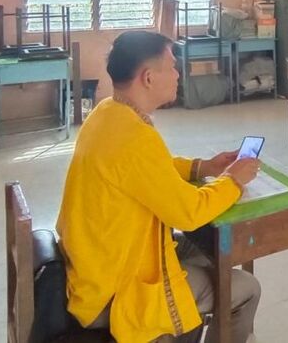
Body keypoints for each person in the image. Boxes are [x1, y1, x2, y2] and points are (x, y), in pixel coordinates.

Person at [58, 31, 261, 343]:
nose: (178, 74)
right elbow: (189, 212)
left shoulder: (108, 112)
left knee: (211, 250)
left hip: (98, 267)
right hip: (116, 288)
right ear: (149, 78)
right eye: (172, 66)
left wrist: (203, 167)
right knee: (246, 287)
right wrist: (233, 180)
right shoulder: (134, 136)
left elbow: (151, 169)